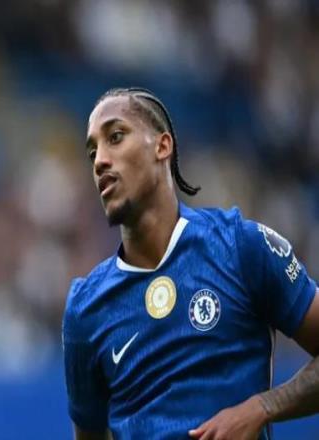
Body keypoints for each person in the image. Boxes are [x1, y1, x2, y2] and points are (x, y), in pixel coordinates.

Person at [62, 87, 319, 440]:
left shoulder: (240, 247)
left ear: (162, 146)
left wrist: (262, 407)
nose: (100, 161)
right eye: (93, 152)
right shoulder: (85, 308)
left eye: (116, 137)